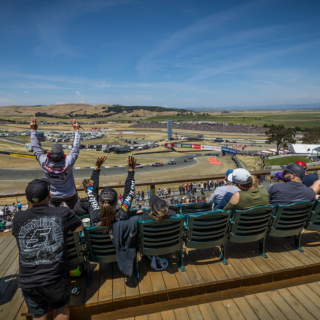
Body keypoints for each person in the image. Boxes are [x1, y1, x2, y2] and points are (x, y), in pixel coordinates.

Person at [12, 178, 83, 320]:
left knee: (38, 315)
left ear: (27, 198)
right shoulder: (62, 213)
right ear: (50, 196)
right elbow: (79, 228)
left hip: (28, 280)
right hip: (55, 277)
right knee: (61, 308)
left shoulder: (18, 217)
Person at [86, 156, 137, 276]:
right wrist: (131, 170)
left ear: (99, 202)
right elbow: (129, 192)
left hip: (100, 253)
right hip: (118, 251)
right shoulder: (122, 213)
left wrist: (96, 169)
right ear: (117, 203)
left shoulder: (94, 214)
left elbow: (90, 192)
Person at [30, 117, 81, 210]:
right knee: (77, 214)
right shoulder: (68, 162)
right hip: (70, 194)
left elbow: (35, 147)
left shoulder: (44, 162)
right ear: (63, 155)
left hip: (53, 196)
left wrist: (33, 130)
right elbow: (76, 148)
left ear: (49, 155)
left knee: (52, 217)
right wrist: (76, 130)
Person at [135, 195, 177, 270]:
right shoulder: (173, 214)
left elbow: (145, 216)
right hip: (169, 244)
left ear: (152, 211)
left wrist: (141, 213)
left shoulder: (144, 218)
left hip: (149, 246)